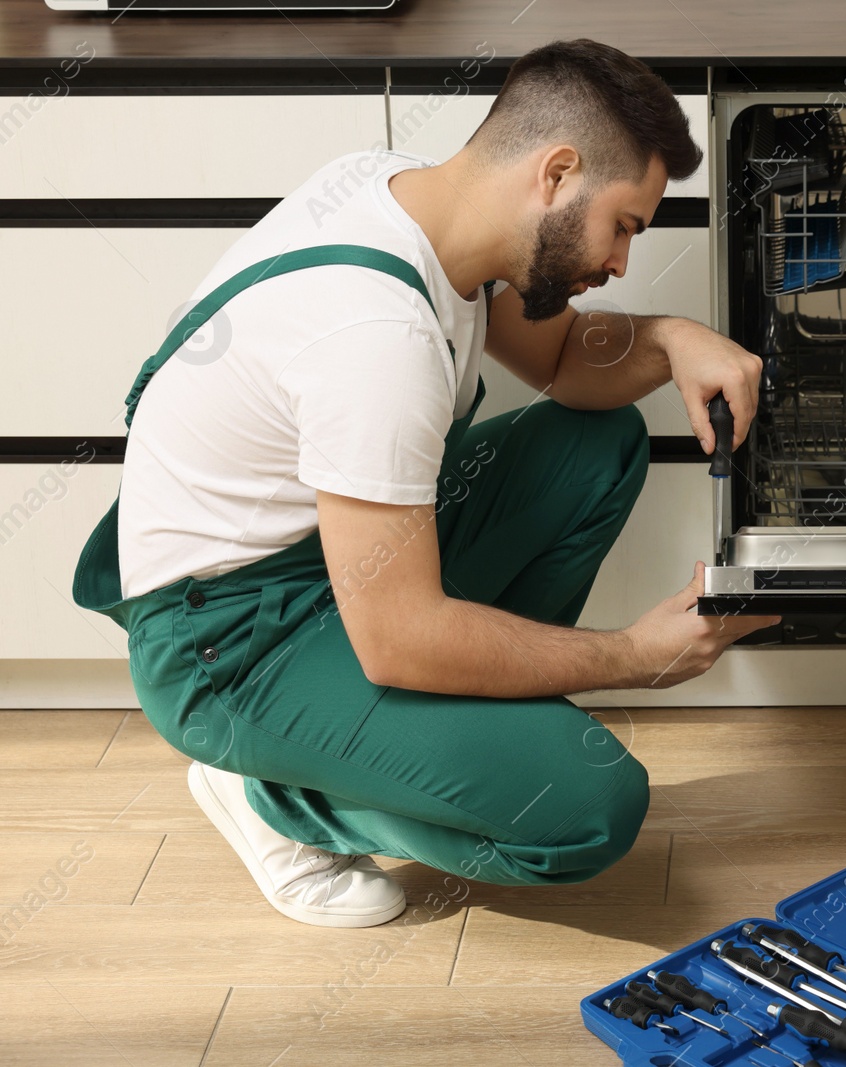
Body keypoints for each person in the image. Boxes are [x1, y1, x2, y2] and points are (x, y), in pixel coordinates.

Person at [72, 39, 778, 928]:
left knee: (593, 446)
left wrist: (675, 336)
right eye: (626, 226)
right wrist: (633, 657)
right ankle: (277, 800)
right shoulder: (376, 337)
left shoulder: (413, 194)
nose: (621, 264)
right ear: (556, 174)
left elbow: (563, 360)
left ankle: (444, 744)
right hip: (229, 638)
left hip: (328, 563)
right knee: (590, 808)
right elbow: (400, 637)